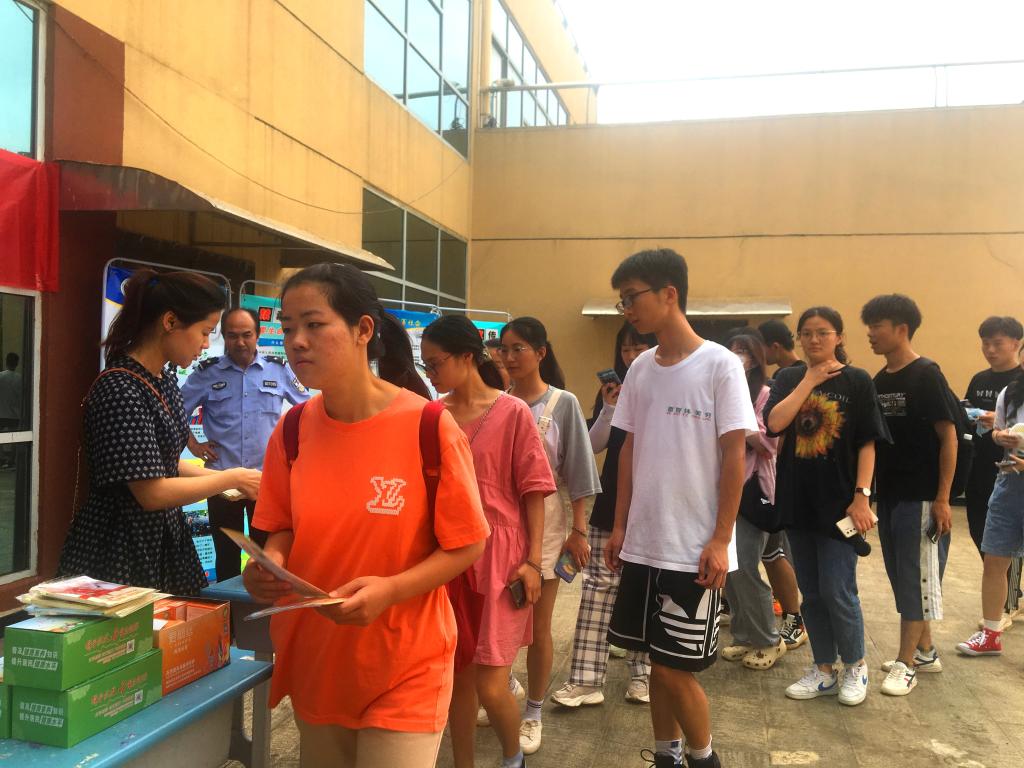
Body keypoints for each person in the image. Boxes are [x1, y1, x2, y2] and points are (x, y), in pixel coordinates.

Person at [243, 263, 489, 768]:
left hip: (407, 661)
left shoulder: (428, 426)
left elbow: (468, 542)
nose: (297, 341)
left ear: (363, 330)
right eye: (288, 328)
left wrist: (390, 591)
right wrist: (269, 563)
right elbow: (281, 525)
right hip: (319, 659)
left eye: (314, 324)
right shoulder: (292, 431)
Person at [605, 249, 758, 768]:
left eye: (632, 297)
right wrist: (620, 525)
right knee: (655, 661)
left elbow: (735, 455)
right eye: (622, 300)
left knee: (676, 667)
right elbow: (628, 450)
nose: (627, 309)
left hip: (693, 548)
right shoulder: (641, 368)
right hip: (644, 541)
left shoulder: (719, 365)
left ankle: (704, 758)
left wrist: (721, 539)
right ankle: (667, 756)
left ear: (669, 293)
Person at [58, 269, 262, 594]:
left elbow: (165, 462)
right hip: (120, 548)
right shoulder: (120, 388)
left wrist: (235, 484)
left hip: (165, 541)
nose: (206, 344)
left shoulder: (163, 381)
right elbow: (151, 492)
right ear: (170, 322)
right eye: (205, 332)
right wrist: (232, 478)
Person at [421, 315, 555, 768]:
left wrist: (533, 562)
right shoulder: (432, 415)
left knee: (491, 682)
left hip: (502, 559)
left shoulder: (512, 412)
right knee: (458, 677)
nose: (430, 374)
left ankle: (513, 757)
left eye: (435, 363)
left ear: (466, 357)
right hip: (449, 557)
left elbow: (534, 490)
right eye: (426, 365)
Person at [765, 306, 890, 708]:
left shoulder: (857, 380)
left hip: (840, 505)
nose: (814, 340)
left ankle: (855, 666)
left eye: (823, 332)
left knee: (838, 591)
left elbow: (867, 442)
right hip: (797, 501)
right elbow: (775, 423)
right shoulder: (788, 378)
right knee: (813, 594)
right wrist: (810, 379)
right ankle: (823, 670)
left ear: (839, 336)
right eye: (806, 333)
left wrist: (862, 496)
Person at [499, 316, 601, 756]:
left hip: (550, 525)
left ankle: (533, 713)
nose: (509, 357)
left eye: (518, 348)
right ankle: (503, 686)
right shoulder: (498, 402)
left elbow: (579, 471)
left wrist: (579, 530)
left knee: (539, 626)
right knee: (500, 618)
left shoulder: (562, 403)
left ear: (541, 352)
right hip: (502, 526)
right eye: (503, 349)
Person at [550, 321, 655, 710]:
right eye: (625, 349)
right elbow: (593, 445)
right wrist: (610, 407)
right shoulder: (613, 391)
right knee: (597, 587)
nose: (631, 356)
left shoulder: (665, 387)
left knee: (643, 590)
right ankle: (585, 680)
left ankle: (643, 676)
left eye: (638, 347)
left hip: (652, 504)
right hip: (611, 501)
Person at [861, 294, 957, 696]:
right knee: (904, 578)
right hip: (891, 496)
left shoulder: (926, 375)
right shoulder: (880, 380)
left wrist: (942, 498)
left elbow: (949, 437)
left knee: (917, 580)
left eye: (877, 326)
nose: (870, 334)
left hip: (922, 497)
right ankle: (926, 651)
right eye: (868, 326)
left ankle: (906, 664)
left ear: (901, 328)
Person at [180, 307, 310, 581]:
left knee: (265, 557)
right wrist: (193, 445)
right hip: (220, 483)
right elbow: (174, 411)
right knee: (226, 556)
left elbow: (309, 411)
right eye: (232, 335)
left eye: (247, 335)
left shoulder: (278, 370)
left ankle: (262, 606)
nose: (240, 342)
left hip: (265, 483)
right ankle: (229, 608)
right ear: (224, 337)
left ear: (257, 335)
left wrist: (296, 453)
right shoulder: (208, 373)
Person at [718, 333, 788, 671]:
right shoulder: (722, 390)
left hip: (753, 490)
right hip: (722, 490)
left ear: (757, 357)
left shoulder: (765, 394)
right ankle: (744, 636)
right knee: (730, 569)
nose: (738, 356)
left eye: (744, 351)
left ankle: (768, 640)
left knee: (746, 565)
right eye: (733, 350)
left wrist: (736, 424)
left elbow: (769, 444)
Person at [957, 363, 1024, 658]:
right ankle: (990, 634)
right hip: (1008, 482)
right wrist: (1000, 437)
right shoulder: (1011, 393)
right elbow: (995, 431)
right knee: (995, 559)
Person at [0, 352, 22, 468]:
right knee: (14, 437)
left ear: (6, 362)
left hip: (1, 412)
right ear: (17, 363)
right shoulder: (20, 378)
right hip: (14, 414)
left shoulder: (0, 376)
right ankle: (11, 460)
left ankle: (1, 458)